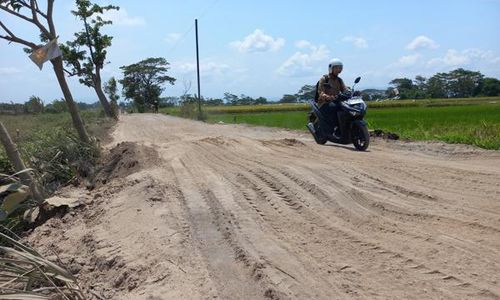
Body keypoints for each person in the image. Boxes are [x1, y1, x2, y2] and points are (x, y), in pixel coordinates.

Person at [317, 58, 347, 137]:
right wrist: (328, 97)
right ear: (331, 68)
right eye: (336, 67)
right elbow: (321, 92)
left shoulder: (339, 80)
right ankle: (334, 129)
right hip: (324, 103)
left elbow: (345, 90)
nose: (339, 69)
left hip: (336, 101)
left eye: (340, 67)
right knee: (334, 107)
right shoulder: (324, 79)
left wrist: (353, 93)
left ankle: (344, 128)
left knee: (346, 109)